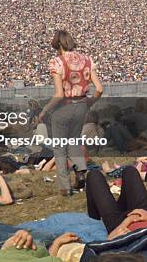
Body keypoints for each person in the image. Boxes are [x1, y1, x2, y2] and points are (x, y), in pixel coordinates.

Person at [39, 30, 103, 195]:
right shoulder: (87, 60)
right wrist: (89, 102)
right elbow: (99, 89)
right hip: (82, 104)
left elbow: (59, 94)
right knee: (73, 140)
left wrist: (45, 110)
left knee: (59, 147)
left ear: (59, 45)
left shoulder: (57, 62)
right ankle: (81, 171)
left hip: (64, 107)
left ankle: (65, 187)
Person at [85, 167, 147, 236]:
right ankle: (94, 222)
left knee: (93, 175)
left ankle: (94, 223)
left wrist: (128, 220)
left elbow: (110, 239)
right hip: (146, 216)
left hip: (119, 227)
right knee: (130, 170)